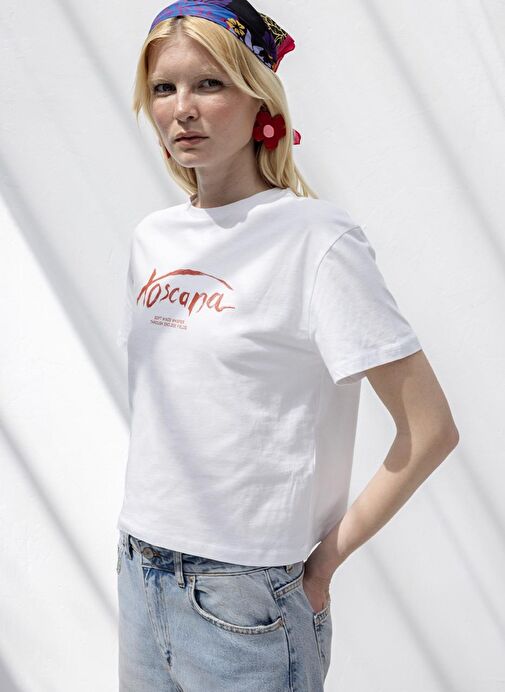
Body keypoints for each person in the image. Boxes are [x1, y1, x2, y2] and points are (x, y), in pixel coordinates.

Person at [115, 2, 460, 690]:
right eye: (163, 88)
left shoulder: (315, 240)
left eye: (209, 84)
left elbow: (430, 431)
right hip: (139, 563)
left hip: (245, 596)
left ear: (260, 101)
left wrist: (323, 564)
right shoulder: (153, 238)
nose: (182, 109)